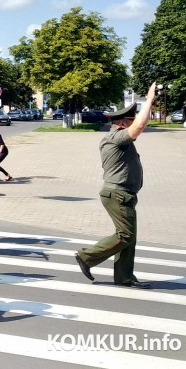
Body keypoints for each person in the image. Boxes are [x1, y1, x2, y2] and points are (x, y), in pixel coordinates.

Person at [75, 83, 157, 289]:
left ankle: (124, 277)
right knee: (125, 235)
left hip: (124, 194)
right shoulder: (114, 139)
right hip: (117, 194)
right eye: (132, 120)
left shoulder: (121, 139)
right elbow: (139, 127)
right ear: (122, 124)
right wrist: (148, 100)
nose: (137, 123)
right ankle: (86, 256)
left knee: (129, 238)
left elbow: (138, 126)